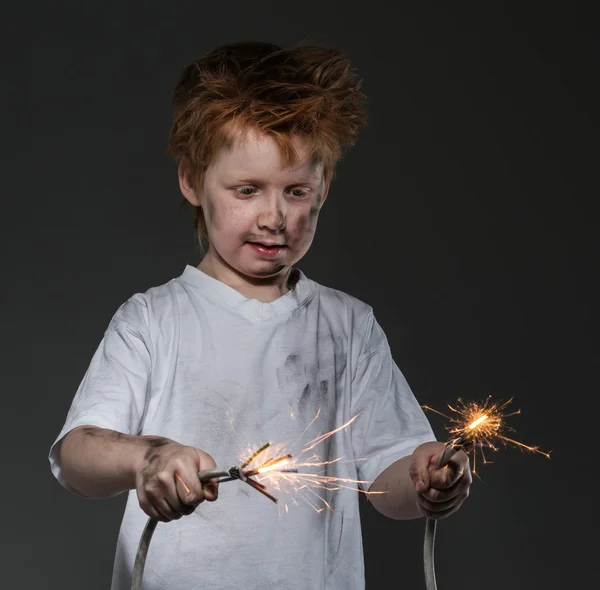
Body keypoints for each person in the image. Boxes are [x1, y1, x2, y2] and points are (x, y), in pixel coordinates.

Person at [49, 41, 472, 590]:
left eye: (296, 191)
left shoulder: (349, 326)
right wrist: (146, 458)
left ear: (323, 189)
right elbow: (77, 456)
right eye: (247, 190)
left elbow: (387, 479)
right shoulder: (152, 320)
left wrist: (425, 479)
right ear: (193, 181)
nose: (275, 218)